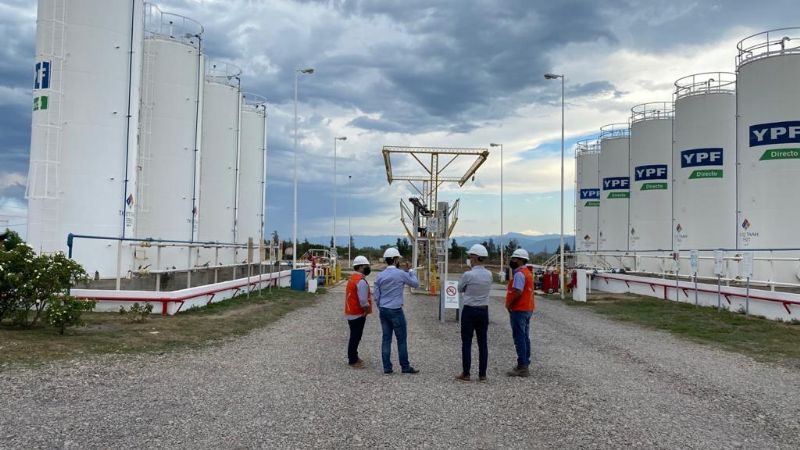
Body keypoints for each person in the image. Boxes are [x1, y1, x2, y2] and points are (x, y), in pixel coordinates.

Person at [373, 247, 420, 374]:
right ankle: (405, 367)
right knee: (401, 339)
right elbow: (416, 284)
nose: (399, 261)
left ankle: (387, 367)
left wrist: (381, 306)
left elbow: (376, 296)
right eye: (398, 259)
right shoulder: (401, 274)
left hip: (383, 309)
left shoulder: (380, 276)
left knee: (386, 338)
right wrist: (411, 271)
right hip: (396, 310)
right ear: (394, 260)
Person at [455, 244, 493, 383]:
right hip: (484, 310)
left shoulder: (468, 275)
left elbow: (460, 288)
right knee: (483, 343)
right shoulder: (489, 274)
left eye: (470, 256)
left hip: (470, 310)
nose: (469, 259)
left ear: (476, 258)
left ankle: (466, 373)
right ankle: (482, 374)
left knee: (467, 342)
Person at [505, 248, 535, 377]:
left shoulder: (519, 274)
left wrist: (509, 304)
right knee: (525, 337)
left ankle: (522, 366)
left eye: (515, 258)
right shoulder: (527, 272)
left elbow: (517, 291)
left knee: (519, 338)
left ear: (521, 260)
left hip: (519, 309)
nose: (512, 260)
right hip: (527, 308)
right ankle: (525, 363)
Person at [345, 255, 373, 368]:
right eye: (366, 266)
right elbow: (363, 300)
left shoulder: (353, 278)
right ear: (360, 267)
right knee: (355, 337)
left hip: (351, 311)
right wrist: (366, 310)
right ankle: (352, 360)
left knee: (355, 336)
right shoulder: (360, 281)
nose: (368, 267)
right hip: (357, 313)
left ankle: (354, 356)